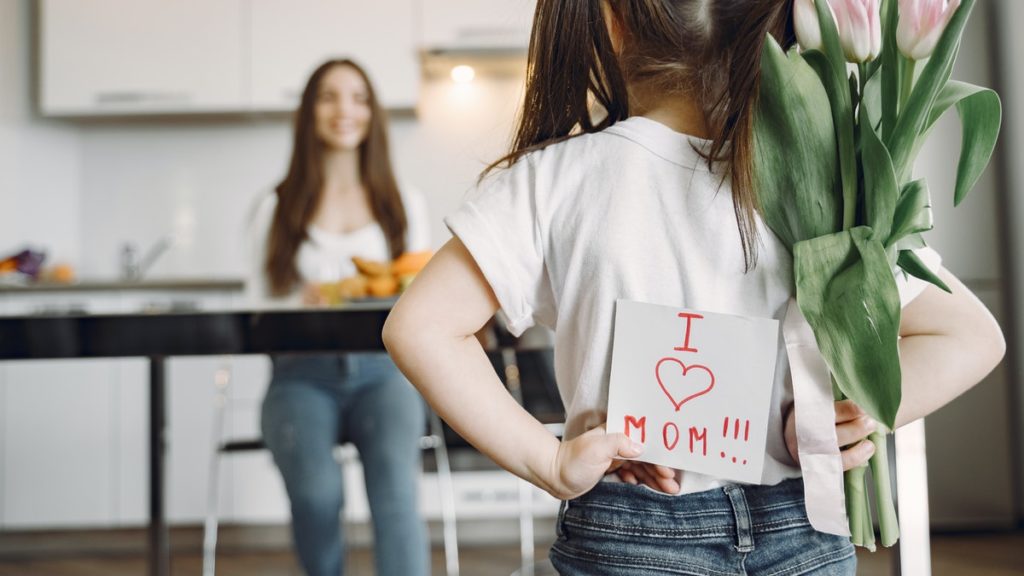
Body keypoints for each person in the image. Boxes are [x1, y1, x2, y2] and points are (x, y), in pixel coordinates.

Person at [381, 1, 1006, 574]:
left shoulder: (551, 180)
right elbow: (969, 335)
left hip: (630, 524)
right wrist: (847, 414)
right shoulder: (826, 183)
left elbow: (420, 328)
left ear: (612, 22)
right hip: (802, 524)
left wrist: (548, 464)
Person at [246, 59, 430, 576]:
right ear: (309, 112)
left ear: (372, 112)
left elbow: (424, 300)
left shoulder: (403, 204)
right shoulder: (275, 207)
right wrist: (293, 303)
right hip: (301, 374)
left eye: (358, 97)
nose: (343, 110)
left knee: (395, 491)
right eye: (328, 96)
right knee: (316, 496)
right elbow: (254, 307)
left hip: (387, 374)